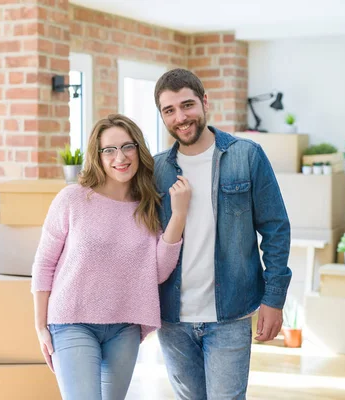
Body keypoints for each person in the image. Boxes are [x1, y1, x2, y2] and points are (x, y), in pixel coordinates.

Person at [152, 68, 292, 400]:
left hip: (230, 314)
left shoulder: (246, 156)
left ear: (204, 102)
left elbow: (275, 228)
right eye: (169, 110)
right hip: (172, 317)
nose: (180, 117)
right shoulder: (156, 169)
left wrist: (274, 299)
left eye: (187, 105)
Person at [31, 114, 192, 400]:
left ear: (139, 150)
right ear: (98, 155)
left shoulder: (148, 205)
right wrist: (40, 326)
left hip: (124, 327)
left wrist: (178, 215)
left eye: (127, 147)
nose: (120, 157)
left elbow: (156, 271)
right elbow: (44, 264)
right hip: (71, 322)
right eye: (109, 150)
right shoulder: (72, 199)